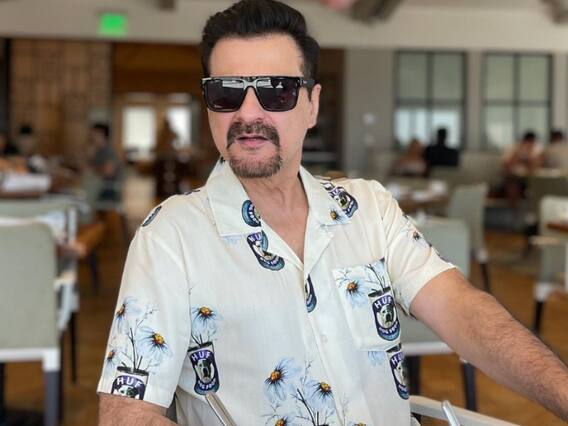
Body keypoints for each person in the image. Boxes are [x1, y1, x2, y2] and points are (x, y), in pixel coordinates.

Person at [98, 1, 568, 425]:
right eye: (226, 92)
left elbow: (463, 312)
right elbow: (126, 412)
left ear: (312, 104)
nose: (248, 113)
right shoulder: (171, 236)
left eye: (277, 91)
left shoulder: (368, 208)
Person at [501, 130, 543, 209]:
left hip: (532, 177)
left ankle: (536, 210)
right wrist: (518, 153)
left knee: (540, 184)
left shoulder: (537, 149)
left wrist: (529, 157)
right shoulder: (513, 148)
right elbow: (506, 166)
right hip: (515, 177)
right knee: (512, 182)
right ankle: (514, 211)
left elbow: (537, 165)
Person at [88, 123, 122, 201]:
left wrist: (93, 169)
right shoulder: (99, 151)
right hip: (99, 186)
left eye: (94, 134)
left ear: (102, 135)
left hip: (108, 189)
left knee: (80, 193)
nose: (91, 137)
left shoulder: (108, 151)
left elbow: (108, 171)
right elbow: (89, 167)